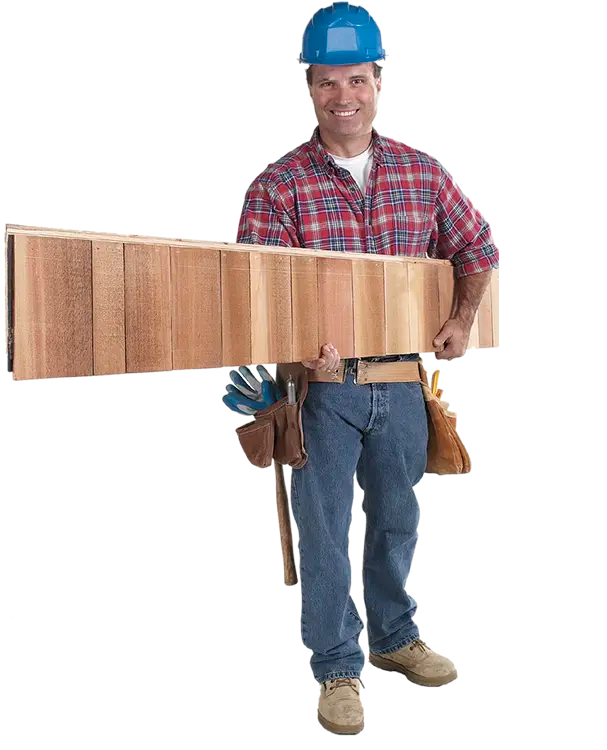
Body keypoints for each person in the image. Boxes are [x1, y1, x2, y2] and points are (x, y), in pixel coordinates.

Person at [233, 1, 500, 736]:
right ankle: (336, 668)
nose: (343, 96)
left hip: (401, 385)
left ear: (379, 80)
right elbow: (256, 295)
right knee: (322, 533)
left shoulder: (420, 171)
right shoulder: (278, 184)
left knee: (396, 521)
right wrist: (297, 356)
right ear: (309, 88)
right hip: (322, 391)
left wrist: (460, 320)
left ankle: (393, 637)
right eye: (327, 82)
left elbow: (478, 246)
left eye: (357, 78)